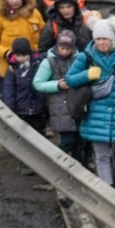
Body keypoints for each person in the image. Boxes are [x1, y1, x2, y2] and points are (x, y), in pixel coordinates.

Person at [64, 19, 115, 189]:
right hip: (96, 112)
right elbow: (69, 80)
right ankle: (107, 189)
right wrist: (88, 75)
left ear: (113, 39)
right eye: (98, 39)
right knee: (102, 155)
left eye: (105, 39)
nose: (101, 43)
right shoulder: (86, 56)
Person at [33, 29, 86, 162]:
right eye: (62, 48)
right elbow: (38, 83)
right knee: (67, 141)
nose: (64, 52)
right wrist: (57, 85)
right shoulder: (49, 62)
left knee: (81, 142)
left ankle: (81, 168)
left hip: (78, 106)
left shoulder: (80, 59)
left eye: (68, 49)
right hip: (60, 107)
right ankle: (55, 165)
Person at [1, 36, 47, 134]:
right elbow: (9, 90)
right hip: (21, 110)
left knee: (39, 134)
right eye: (18, 55)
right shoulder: (12, 69)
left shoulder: (38, 64)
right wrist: (10, 109)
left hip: (38, 108)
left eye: (24, 55)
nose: (21, 58)